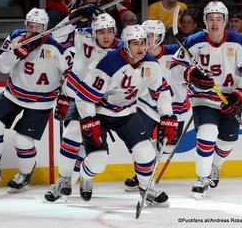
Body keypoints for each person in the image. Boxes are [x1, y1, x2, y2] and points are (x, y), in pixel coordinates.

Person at [71, 24, 178, 207]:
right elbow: (84, 97)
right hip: (100, 113)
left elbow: (162, 92)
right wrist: (89, 121)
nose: (141, 48)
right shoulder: (109, 62)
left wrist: (167, 116)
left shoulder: (152, 64)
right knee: (97, 161)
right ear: (126, 45)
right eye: (135, 43)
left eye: (143, 43)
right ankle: (85, 175)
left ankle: (147, 188)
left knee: (145, 152)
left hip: (127, 112)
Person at [170, 1, 242, 198]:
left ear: (225, 21)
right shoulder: (193, 42)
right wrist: (191, 75)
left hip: (229, 99)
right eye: (210, 18)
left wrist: (239, 95)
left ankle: (215, 167)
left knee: (226, 142)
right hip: (203, 99)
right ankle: (202, 178)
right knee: (207, 133)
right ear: (204, 21)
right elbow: (175, 69)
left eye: (219, 18)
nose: (214, 23)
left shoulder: (240, 42)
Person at [0, 8, 73, 192]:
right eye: (30, 26)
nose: (33, 30)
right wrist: (15, 53)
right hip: (13, 93)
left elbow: (69, 74)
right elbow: (2, 66)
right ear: (26, 24)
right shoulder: (16, 37)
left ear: (45, 28)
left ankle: (25, 175)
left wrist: (66, 99)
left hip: (41, 101)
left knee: (23, 141)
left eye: (38, 27)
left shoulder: (55, 45)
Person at [44, 8, 123, 202]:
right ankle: (63, 180)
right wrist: (75, 15)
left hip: (104, 103)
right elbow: (56, 34)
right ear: (93, 32)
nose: (106, 36)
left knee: (92, 145)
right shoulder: (82, 36)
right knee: (72, 133)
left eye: (109, 31)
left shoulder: (121, 49)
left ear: (115, 31)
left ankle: (86, 178)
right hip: (80, 97)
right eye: (101, 32)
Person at [124, 20, 190, 191]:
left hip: (175, 109)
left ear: (160, 37)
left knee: (167, 147)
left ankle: (146, 170)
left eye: (149, 36)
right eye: (142, 37)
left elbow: (194, 72)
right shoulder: (137, 57)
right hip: (148, 106)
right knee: (140, 143)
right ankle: (141, 176)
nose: (144, 40)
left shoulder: (177, 53)